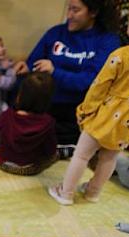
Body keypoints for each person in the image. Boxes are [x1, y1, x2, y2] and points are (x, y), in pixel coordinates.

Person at [47, 0, 129, 206]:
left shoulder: (121, 55)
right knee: (109, 158)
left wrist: (85, 111)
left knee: (82, 155)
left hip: (105, 114)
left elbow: (98, 87)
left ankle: (66, 193)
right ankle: (92, 193)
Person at [14, 0, 121, 151]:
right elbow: (34, 63)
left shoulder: (107, 41)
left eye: (75, 10)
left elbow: (89, 82)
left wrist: (54, 71)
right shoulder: (55, 33)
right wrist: (26, 68)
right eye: (68, 8)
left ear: (93, 12)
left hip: (76, 110)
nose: (69, 15)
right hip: (44, 105)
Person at [0, 72, 58, 175]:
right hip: (30, 168)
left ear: (20, 95)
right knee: (56, 155)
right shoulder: (48, 122)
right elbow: (50, 150)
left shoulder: (6, 115)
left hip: (3, 163)